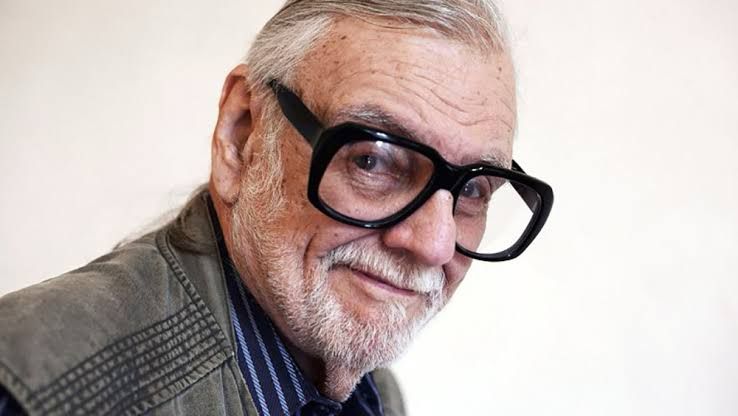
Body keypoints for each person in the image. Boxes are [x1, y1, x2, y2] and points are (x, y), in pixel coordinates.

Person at [0, 1, 553, 415]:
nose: (433, 245)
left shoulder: (372, 392)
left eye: (473, 190)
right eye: (372, 160)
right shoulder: (32, 389)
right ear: (241, 135)